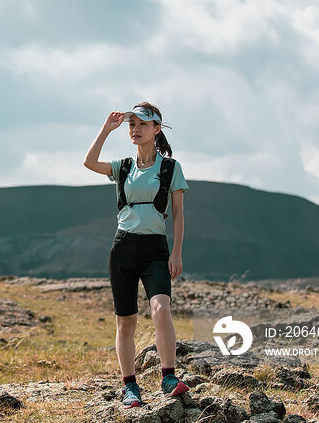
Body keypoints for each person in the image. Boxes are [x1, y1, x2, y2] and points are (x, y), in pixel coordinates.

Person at [83, 102, 190, 408]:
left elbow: (179, 214)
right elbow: (89, 162)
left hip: (156, 249)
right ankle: (130, 387)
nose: (135, 129)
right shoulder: (124, 166)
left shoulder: (171, 168)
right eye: (132, 125)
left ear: (157, 129)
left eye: (142, 124)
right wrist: (106, 129)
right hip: (123, 248)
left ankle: (168, 376)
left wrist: (177, 252)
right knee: (125, 323)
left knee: (161, 309)